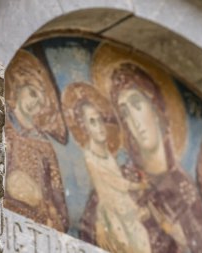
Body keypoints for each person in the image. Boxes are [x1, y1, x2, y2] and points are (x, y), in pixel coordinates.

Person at [110, 62, 202, 252]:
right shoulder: (120, 181)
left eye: (137, 105)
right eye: (125, 113)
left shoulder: (187, 191)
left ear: (155, 108)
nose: (134, 121)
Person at [65, 83, 151, 253]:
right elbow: (116, 182)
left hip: (127, 208)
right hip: (112, 215)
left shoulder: (110, 155)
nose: (100, 127)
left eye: (100, 120)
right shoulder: (90, 157)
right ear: (84, 127)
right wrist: (138, 185)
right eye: (92, 122)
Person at [4, 50, 69, 232]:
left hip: (39, 220)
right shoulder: (2, 123)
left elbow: (56, 192)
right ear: (19, 87)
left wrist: (57, 219)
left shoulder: (44, 144)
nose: (36, 104)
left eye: (41, 102)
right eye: (33, 93)